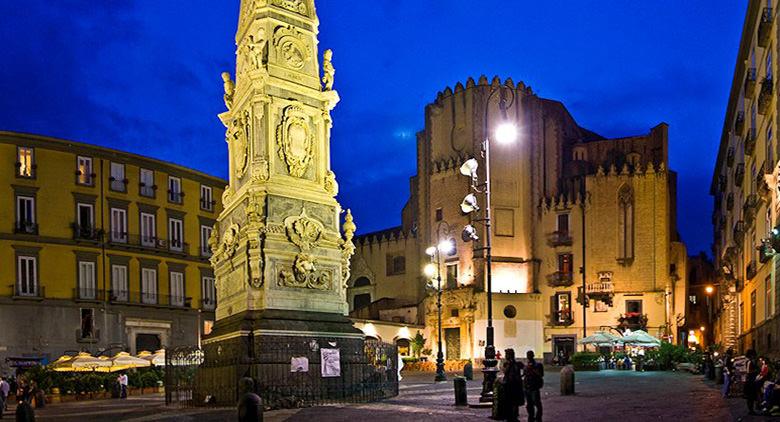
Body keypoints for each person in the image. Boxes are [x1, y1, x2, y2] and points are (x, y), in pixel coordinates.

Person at [502, 349, 525, 422]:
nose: (505, 356)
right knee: (508, 402)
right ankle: (509, 417)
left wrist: (521, 376)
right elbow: (505, 371)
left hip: (515, 385)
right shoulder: (506, 364)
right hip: (508, 385)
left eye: (507, 354)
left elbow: (525, 368)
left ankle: (514, 416)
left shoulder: (517, 364)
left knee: (515, 402)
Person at [523, 350, 544, 422]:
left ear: (533, 355)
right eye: (528, 355)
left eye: (530, 355)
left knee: (537, 403)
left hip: (534, 386)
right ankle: (531, 416)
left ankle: (538, 417)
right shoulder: (526, 365)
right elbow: (525, 374)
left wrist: (532, 369)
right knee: (529, 404)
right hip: (527, 386)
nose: (528, 356)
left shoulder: (538, 365)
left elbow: (540, 375)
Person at [745, 349, 759, 415]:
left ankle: (752, 409)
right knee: (750, 396)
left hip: (751, 380)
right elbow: (748, 372)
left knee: (752, 396)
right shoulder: (749, 362)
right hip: (750, 381)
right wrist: (756, 371)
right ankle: (750, 410)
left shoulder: (751, 361)